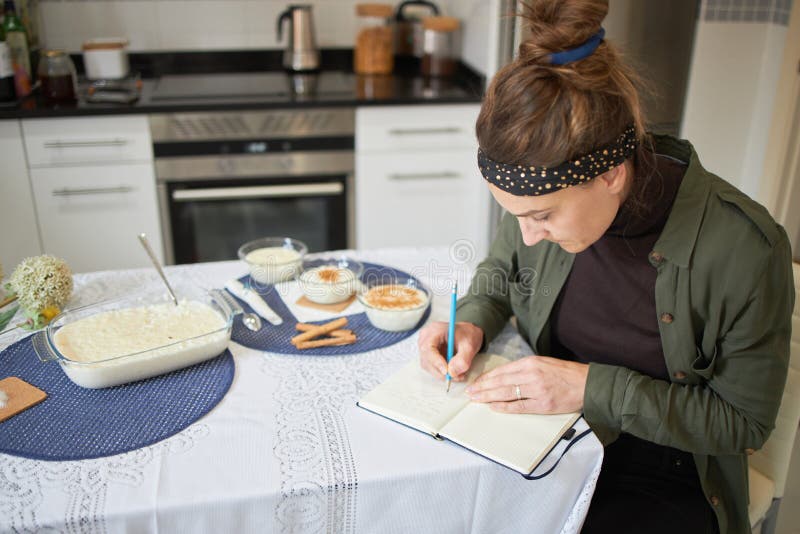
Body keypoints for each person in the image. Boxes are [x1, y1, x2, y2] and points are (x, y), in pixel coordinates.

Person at [417, 1, 795, 533]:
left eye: (541, 217)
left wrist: (591, 388)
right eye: (516, 216)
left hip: (661, 472)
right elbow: (502, 271)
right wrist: (474, 320)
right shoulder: (546, 191)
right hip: (546, 436)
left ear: (611, 175)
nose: (528, 235)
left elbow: (743, 423)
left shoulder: (746, 249)